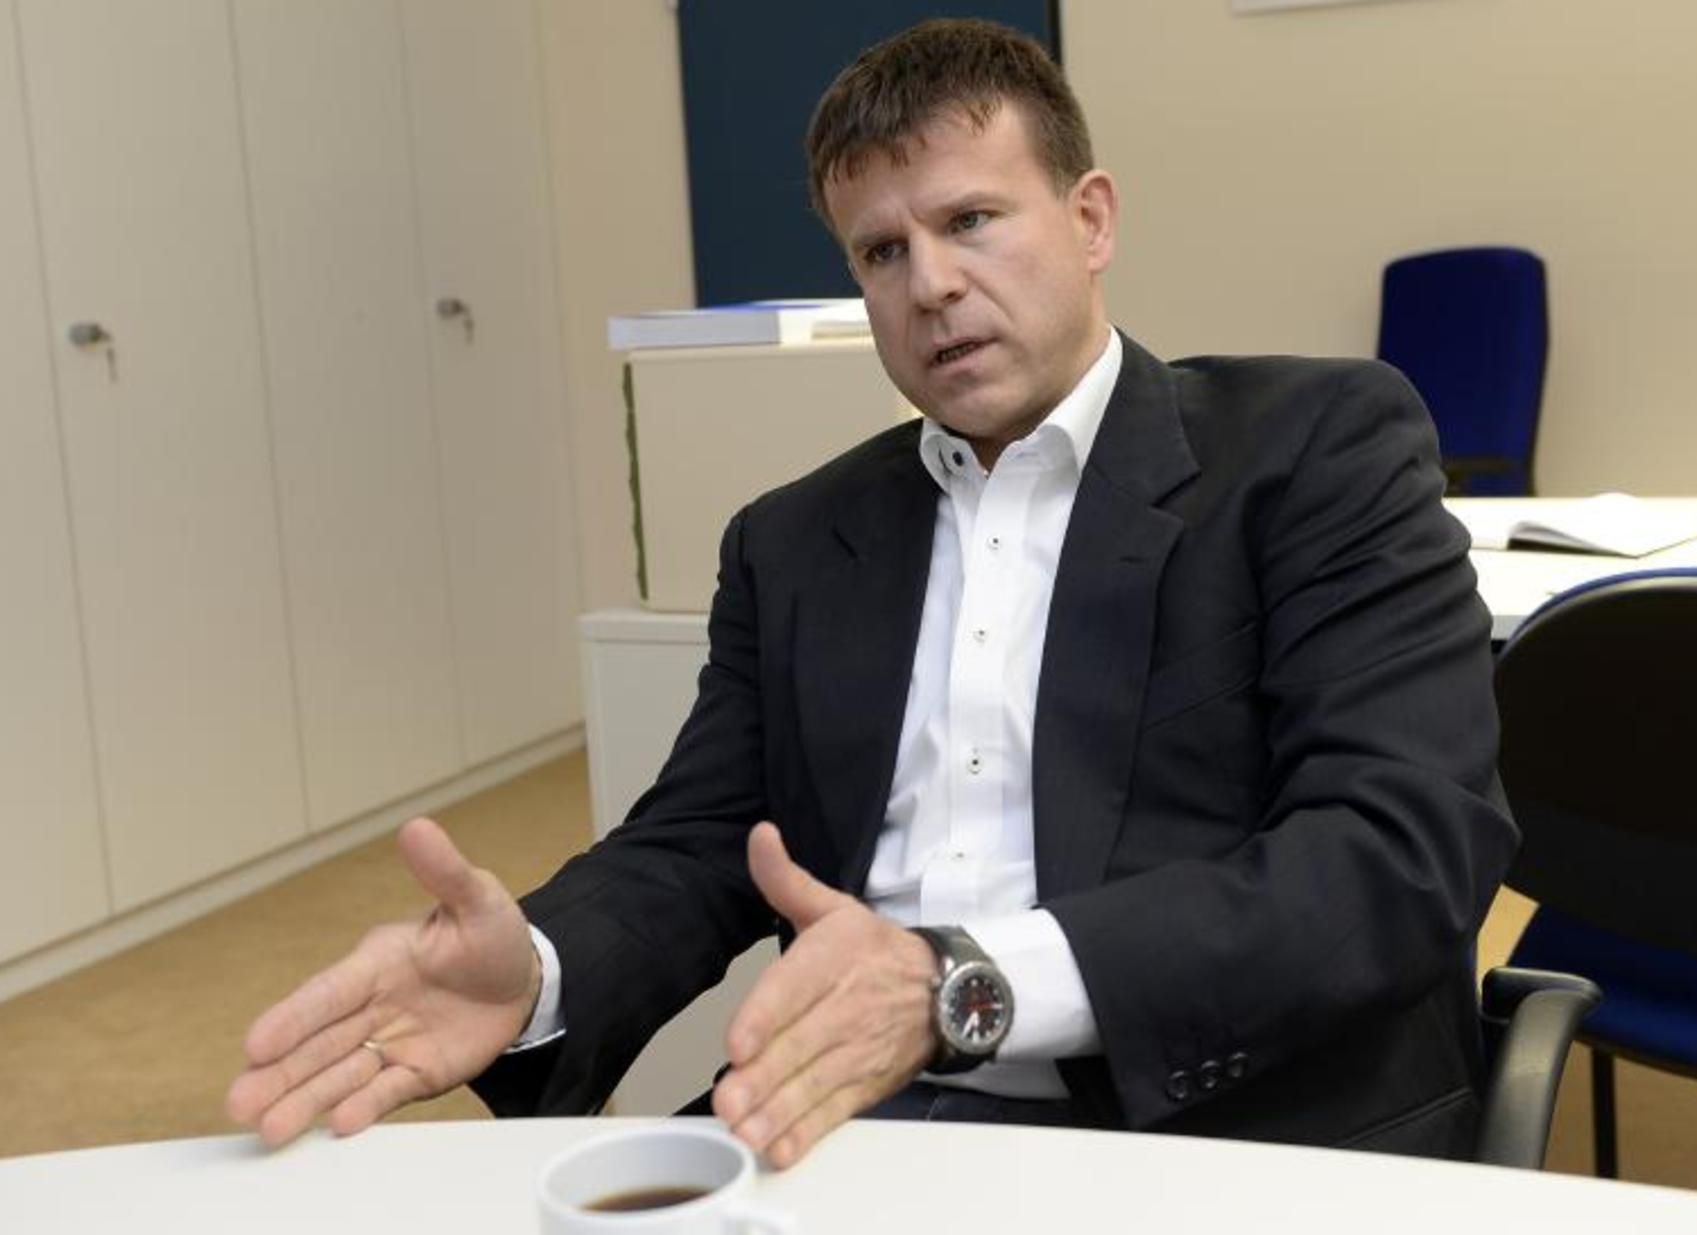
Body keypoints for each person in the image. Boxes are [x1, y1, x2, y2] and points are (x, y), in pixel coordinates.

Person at [227, 19, 1516, 1169]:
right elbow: (695, 846)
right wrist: (540, 973)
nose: (930, 284)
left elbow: (1397, 853)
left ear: (1091, 219)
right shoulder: (794, 541)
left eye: (972, 221)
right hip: (843, 1119)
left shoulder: (1312, 449)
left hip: (1206, 1129)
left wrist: (960, 988)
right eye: (881, 250)